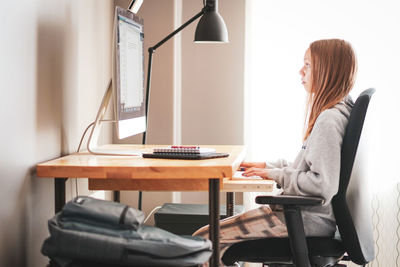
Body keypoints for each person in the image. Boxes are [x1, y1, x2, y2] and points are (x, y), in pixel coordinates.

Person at [193, 38, 357, 266]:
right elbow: (308, 168)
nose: (301, 71)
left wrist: (274, 175)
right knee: (211, 239)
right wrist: (269, 167)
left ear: (327, 70)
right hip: (307, 218)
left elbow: (323, 185)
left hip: (301, 221)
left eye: (308, 65)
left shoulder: (328, 120)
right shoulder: (339, 112)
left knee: (203, 240)